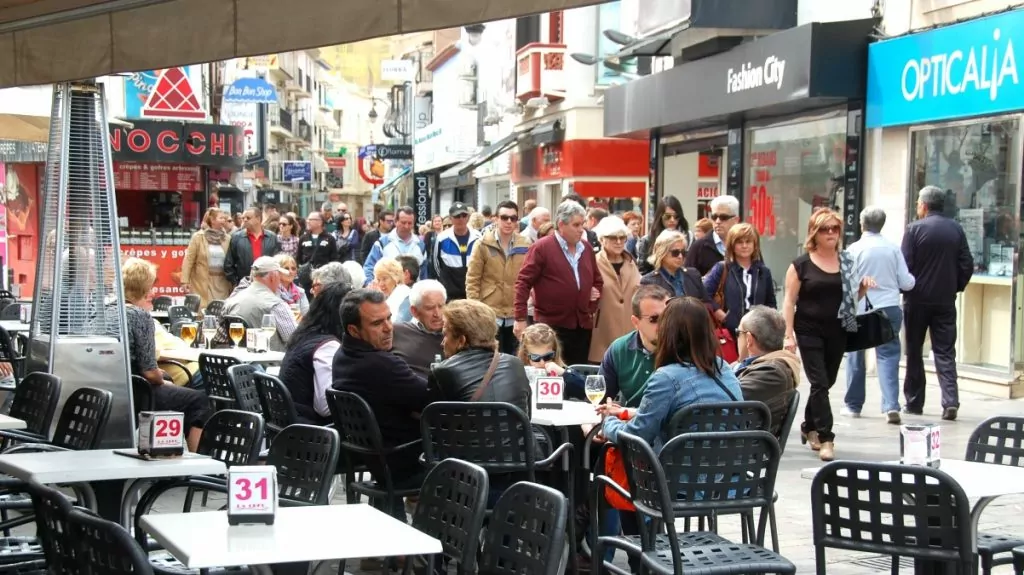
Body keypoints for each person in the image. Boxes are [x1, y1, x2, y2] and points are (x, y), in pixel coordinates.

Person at [783, 208, 873, 462]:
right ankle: (826, 437)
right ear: (815, 232)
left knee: (826, 382)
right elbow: (789, 301)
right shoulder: (801, 264)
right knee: (820, 383)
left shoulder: (846, 261)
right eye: (825, 229)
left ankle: (808, 425)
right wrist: (788, 335)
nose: (831, 233)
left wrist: (863, 290)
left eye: (835, 228)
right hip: (808, 329)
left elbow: (849, 300)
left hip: (838, 329)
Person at [599, 296, 743, 449]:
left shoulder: (666, 378)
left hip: (680, 470)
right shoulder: (724, 367)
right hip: (733, 468)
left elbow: (636, 436)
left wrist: (608, 422)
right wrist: (626, 412)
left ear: (667, 333)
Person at [332, 289, 429, 511]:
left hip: (373, 457)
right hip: (405, 462)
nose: (388, 328)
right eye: (377, 323)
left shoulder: (342, 355)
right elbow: (433, 400)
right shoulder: (381, 365)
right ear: (353, 330)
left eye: (389, 318)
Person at [114, 258, 211, 452]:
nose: (153, 292)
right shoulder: (140, 316)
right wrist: (162, 379)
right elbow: (150, 372)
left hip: (119, 387)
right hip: (138, 392)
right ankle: (199, 465)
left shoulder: (112, 311)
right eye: (150, 287)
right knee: (199, 401)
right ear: (140, 288)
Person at [902, 186, 973, 421]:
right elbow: (967, 264)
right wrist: (955, 287)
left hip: (916, 300)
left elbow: (905, 267)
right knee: (945, 351)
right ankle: (950, 401)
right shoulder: (956, 229)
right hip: (945, 301)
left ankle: (914, 402)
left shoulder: (914, 230)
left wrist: (907, 289)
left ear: (923, 205)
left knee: (914, 351)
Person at [844, 206, 916, 424]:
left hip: (860, 309)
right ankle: (891, 405)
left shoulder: (853, 250)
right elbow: (907, 282)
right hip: (889, 307)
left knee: (855, 355)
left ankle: (853, 405)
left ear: (861, 224)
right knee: (888, 355)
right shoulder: (893, 249)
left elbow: (846, 284)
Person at [514, 200, 603, 366]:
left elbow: (598, 281)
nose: (581, 229)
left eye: (582, 224)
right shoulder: (542, 248)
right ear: (561, 224)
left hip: (581, 327)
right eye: (576, 225)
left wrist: (589, 304)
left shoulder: (586, 248)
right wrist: (520, 318)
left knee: (575, 374)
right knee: (551, 374)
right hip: (551, 327)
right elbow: (523, 282)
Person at [428, 299, 532, 412]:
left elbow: (436, 421)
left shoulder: (442, 371)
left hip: (465, 429)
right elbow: (527, 414)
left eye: (445, 335)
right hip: (516, 430)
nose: (442, 342)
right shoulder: (515, 364)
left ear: (462, 340)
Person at [279, 283, 351, 425]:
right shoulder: (327, 346)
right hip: (310, 431)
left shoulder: (304, 335)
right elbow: (325, 407)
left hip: (290, 421)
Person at [466, 200, 531, 354]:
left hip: (516, 313)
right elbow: (472, 279)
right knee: (490, 359)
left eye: (513, 218)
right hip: (490, 312)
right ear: (495, 219)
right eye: (504, 217)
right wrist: (475, 311)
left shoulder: (526, 244)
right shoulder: (482, 244)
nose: (509, 222)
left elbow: (530, 278)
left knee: (514, 359)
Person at [702, 223, 776, 357]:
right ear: (731, 245)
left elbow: (771, 302)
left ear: (755, 245)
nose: (744, 246)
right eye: (739, 242)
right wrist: (721, 314)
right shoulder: (722, 268)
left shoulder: (763, 272)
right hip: (730, 332)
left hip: (758, 332)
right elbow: (704, 294)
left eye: (748, 241)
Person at [734, 306, 800, 439]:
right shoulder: (760, 365)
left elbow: (723, 398)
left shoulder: (772, 371)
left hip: (740, 448)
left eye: (737, 332)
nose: (736, 337)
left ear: (749, 339)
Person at [599, 285, 671, 409]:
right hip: (630, 425)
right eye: (655, 319)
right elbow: (601, 399)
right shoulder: (619, 349)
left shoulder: (684, 347)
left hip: (674, 425)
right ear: (636, 322)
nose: (664, 324)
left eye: (668, 317)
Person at [588, 216, 640, 364]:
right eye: (613, 238)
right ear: (602, 239)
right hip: (603, 332)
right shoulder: (593, 262)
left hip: (630, 332)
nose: (618, 242)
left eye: (622, 237)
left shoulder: (631, 263)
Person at [223, 256, 298, 351]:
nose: (280, 280)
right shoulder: (276, 305)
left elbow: (220, 338)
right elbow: (296, 340)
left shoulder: (231, 301)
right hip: (270, 363)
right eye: (279, 276)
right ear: (273, 277)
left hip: (237, 362)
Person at [639, 230, 714, 309]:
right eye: (675, 252)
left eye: (683, 252)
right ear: (662, 253)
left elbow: (707, 303)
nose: (680, 256)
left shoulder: (693, 275)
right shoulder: (649, 281)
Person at [391, 279, 447, 378]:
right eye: (430, 308)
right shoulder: (395, 332)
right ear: (414, 311)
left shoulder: (457, 336)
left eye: (441, 306)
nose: (437, 314)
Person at [517, 323, 587, 401]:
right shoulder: (518, 374)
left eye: (548, 356)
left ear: (555, 352)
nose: (542, 362)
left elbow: (587, 389)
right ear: (526, 356)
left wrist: (564, 373)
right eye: (535, 358)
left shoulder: (561, 373)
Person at [181, 207, 232, 306]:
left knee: (220, 310)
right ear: (212, 220)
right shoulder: (198, 237)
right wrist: (185, 281)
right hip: (202, 282)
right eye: (221, 218)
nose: (224, 221)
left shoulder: (228, 238)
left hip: (222, 282)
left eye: (225, 219)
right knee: (203, 311)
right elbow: (189, 260)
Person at [363, 206, 426, 285]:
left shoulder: (420, 245)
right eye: (403, 222)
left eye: (410, 223)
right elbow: (369, 267)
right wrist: (371, 284)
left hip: (414, 293)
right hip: (388, 292)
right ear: (396, 222)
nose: (406, 226)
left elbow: (424, 273)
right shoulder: (382, 243)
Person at [432, 202, 481, 301]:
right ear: (451, 218)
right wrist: (443, 280)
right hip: (450, 292)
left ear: (468, 217)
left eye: (464, 215)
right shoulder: (442, 238)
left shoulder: (478, 237)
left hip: (472, 290)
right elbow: (435, 264)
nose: (461, 219)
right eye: (457, 216)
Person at [224, 207, 280, 285]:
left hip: (268, 284)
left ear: (258, 219)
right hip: (244, 284)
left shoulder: (272, 237)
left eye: (248, 218)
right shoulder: (236, 237)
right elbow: (229, 264)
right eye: (243, 218)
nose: (245, 220)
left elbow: (278, 261)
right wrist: (236, 282)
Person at [686, 195, 740, 276]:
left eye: (723, 217)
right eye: (714, 217)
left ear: (736, 220)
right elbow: (687, 280)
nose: (718, 221)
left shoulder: (746, 244)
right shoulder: (699, 247)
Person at [636, 195, 688, 275]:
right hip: (655, 284)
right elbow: (642, 272)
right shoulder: (647, 241)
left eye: (676, 216)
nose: (672, 220)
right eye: (667, 216)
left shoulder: (688, 237)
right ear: (660, 217)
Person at [297, 211, 338, 287]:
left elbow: (334, 259)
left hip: (324, 278)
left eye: (310, 219)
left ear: (319, 222)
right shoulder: (303, 238)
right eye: (307, 219)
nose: (307, 221)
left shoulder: (329, 238)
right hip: (307, 278)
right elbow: (298, 258)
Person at [371, 257, 411, 322]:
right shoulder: (384, 297)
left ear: (395, 277)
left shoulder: (405, 296)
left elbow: (399, 323)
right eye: (378, 280)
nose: (381, 284)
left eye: (384, 279)